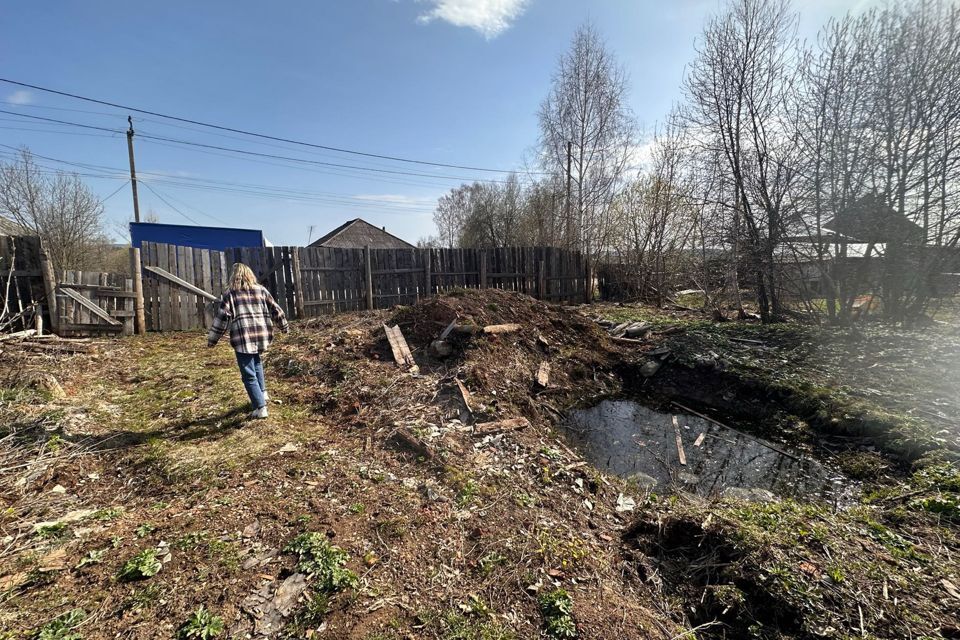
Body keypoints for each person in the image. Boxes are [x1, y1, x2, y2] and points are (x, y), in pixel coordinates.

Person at [207, 263, 289, 419]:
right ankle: (263, 393)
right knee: (257, 362)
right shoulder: (261, 290)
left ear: (234, 277)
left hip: (243, 337)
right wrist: (284, 326)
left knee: (248, 374)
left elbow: (222, 319)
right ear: (250, 275)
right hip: (261, 334)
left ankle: (260, 407)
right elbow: (276, 310)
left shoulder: (231, 294)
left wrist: (213, 340)